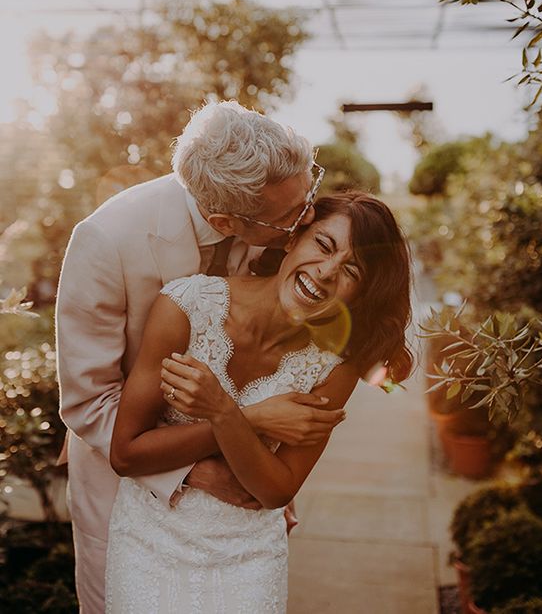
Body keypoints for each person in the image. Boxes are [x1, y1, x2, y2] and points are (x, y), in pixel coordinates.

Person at [55, 101, 346, 613]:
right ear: (224, 219)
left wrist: (261, 467)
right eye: (289, 217)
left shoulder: (279, 217)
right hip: (128, 483)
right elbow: (88, 400)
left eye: (310, 194)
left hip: (237, 502)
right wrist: (200, 469)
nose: (307, 219)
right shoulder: (106, 240)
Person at [103, 191, 413, 612]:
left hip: (249, 558)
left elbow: (275, 491)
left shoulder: (335, 367)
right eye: (323, 245)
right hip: (149, 539)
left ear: (361, 294)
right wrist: (250, 418)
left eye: (351, 270)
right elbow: (126, 453)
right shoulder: (187, 306)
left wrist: (222, 410)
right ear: (292, 239)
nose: (325, 272)